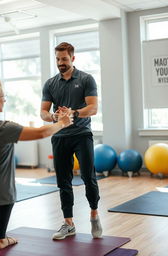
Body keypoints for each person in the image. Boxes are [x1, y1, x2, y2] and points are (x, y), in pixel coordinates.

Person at [0, 78, 73, 250]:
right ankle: (1, 239)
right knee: (5, 198)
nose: (5, 100)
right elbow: (41, 132)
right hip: (0, 187)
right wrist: (62, 122)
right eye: (3, 97)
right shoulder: (2, 128)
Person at [40, 42, 102, 240]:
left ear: (72, 58)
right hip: (59, 136)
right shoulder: (50, 84)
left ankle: (94, 214)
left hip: (82, 135)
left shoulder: (86, 79)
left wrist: (73, 113)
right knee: (63, 181)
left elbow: (93, 108)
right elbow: (43, 111)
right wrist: (53, 117)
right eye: (58, 59)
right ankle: (69, 223)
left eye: (64, 59)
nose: (60, 63)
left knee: (88, 177)